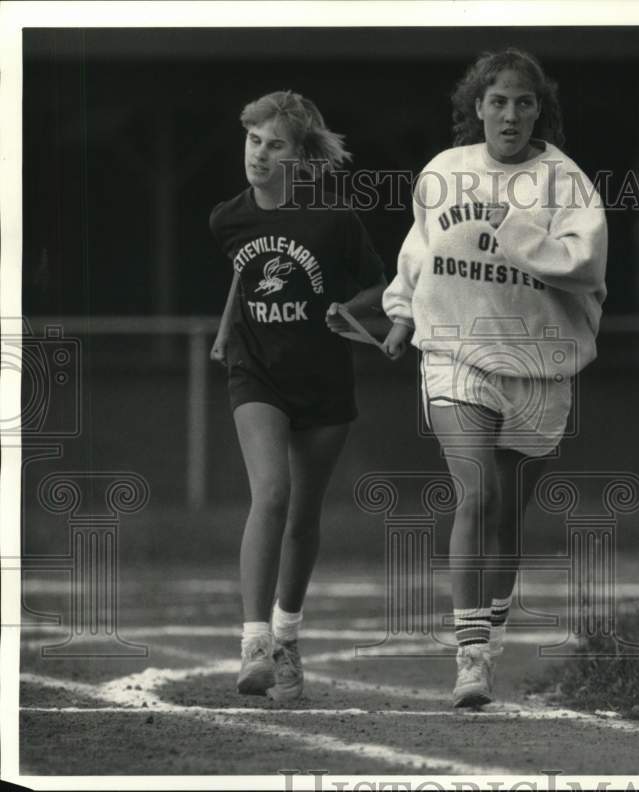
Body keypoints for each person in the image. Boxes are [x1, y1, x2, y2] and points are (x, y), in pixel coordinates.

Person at [382, 49, 608, 707]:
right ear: (475, 106)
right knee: (475, 495)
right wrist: (399, 314)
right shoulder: (443, 175)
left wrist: (510, 227)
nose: (510, 114)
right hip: (455, 352)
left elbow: (582, 267)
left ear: (540, 109)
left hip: (538, 364)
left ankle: (496, 609)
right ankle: (472, 659)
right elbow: (417, 254)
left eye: (524, 102)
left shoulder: (566, 186)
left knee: (507, 514)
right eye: (498, 101)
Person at [209, 90, 386, 700]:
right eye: (253, 140)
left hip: (324, 381)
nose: (259, 154)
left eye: (274, 144)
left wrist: (349, 307)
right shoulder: (226, 218)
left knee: (304, 517)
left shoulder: (334, 221)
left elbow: (379, 287)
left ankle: (287, 638)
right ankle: (254, 644)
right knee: (273, 494)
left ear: (299, 155)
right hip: (255, 374)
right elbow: (245, 278)